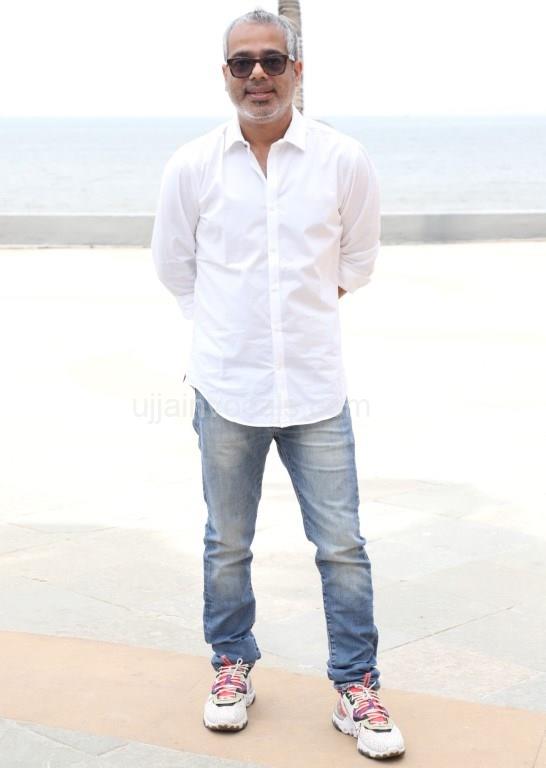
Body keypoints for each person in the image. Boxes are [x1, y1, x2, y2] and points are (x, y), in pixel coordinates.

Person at [151, 8, 405, 761]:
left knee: (343, 546)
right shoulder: (192, 166)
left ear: (297, 69)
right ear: (225, 75)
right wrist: (224, 331)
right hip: (226, 388)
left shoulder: (342, 159)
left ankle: (356, 686)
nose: (257, 75)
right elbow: (174, 266)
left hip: (316, 390)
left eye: (271, 60)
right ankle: (232, 666)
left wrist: (298, 318)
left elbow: (358, 259)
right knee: (227, 543)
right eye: (242, 63)